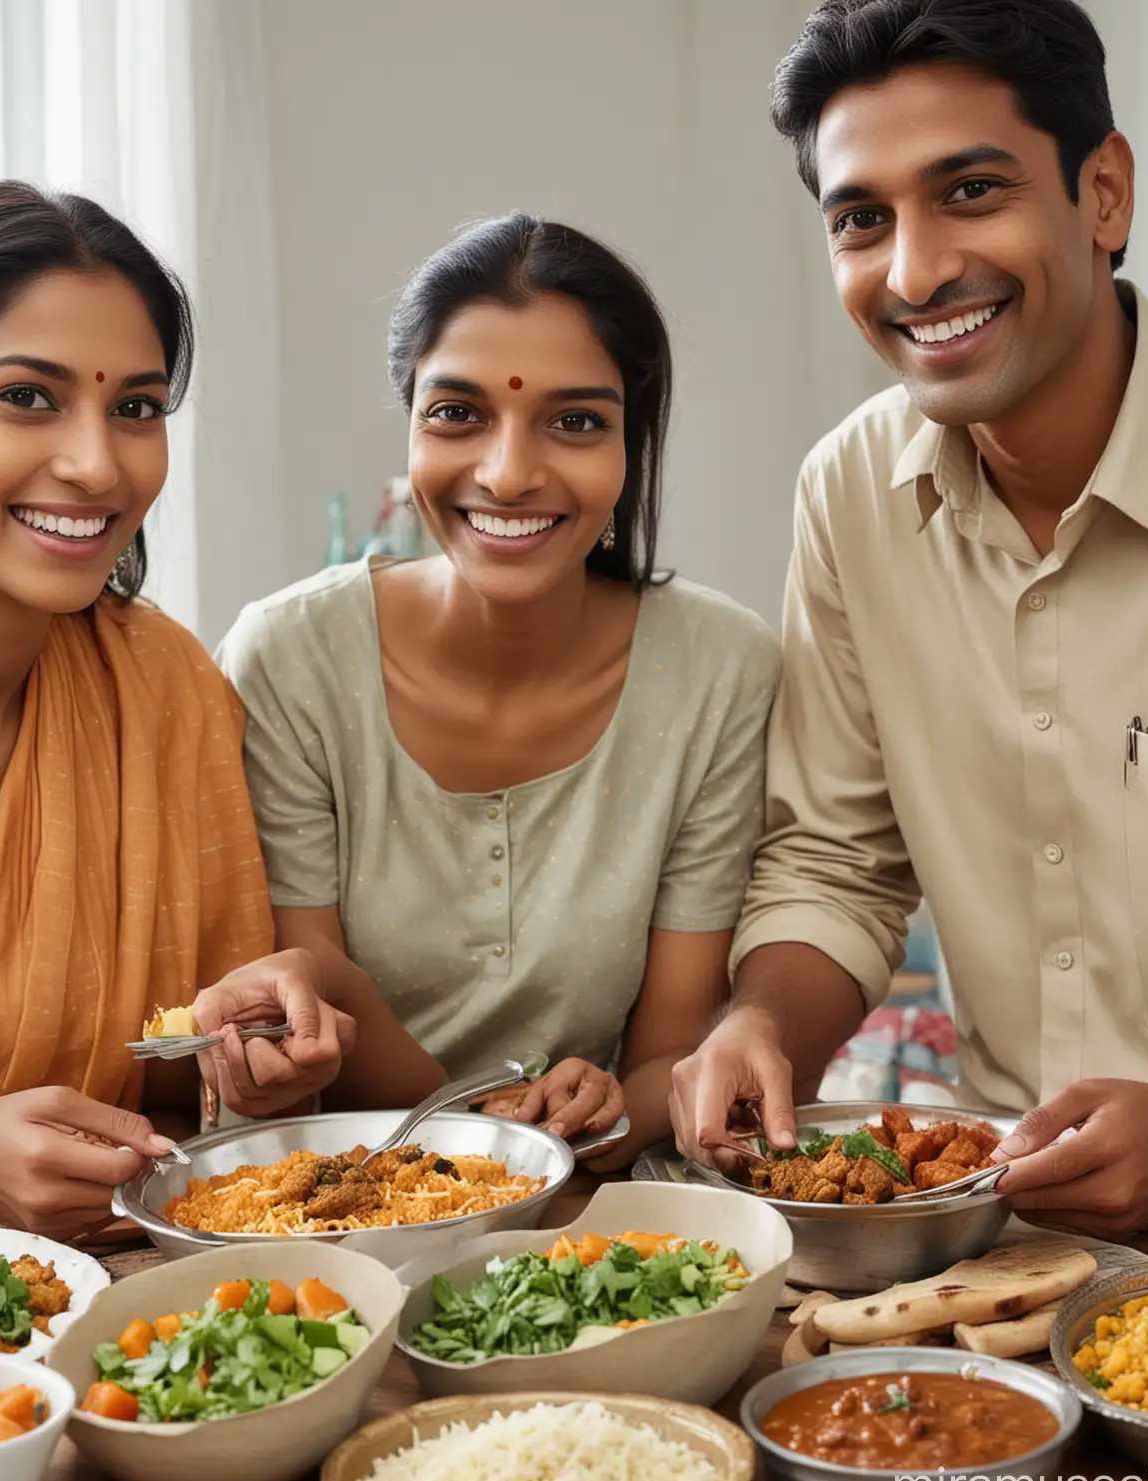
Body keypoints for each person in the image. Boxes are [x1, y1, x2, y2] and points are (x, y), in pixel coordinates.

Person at [669, 0, 1148, 1244]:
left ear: (1104, 194)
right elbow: (837, 864)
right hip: (994, 1233)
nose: (912, 273)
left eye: (969, 192)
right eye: (861, 219)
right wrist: (758, 1024)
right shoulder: (848, 492)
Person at [0, 183, 422, 1242]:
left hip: (133, 1319)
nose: (98, 462)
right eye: (28, 397)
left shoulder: (159, 687)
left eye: (136, 407)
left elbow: (178, 1110)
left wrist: (244, 1079)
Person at [216, 213, 781, 1167]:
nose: (510, 473)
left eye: (575, 422)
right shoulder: (290, 657)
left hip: (588, 1223)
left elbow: (669, 1058)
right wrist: (488, 1137)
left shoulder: (719, 669)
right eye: (457, 413)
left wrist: (598, 1107)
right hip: (335, 1208)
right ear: (408, 423)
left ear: (633, 443)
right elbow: (316, 1012)